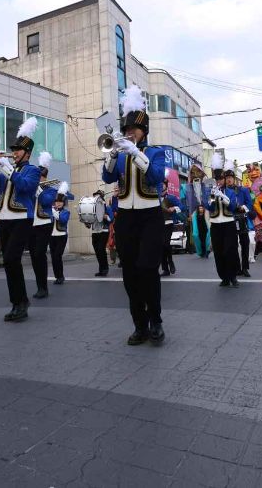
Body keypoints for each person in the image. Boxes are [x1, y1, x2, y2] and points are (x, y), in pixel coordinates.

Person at [102, 85, 166, 346]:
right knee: (129, 273)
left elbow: (156, 176)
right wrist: (113, 154)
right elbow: (107, 177)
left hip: (150, 216)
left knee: (148, 270)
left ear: (144, 131)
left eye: (134, 129)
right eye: (127, 129)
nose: (129, 133)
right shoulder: (121, 156)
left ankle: (156, 320)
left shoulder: (154, 152)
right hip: (126, 218)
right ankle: (139, 324)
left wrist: (135, 152)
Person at [0, 117, 40, 322]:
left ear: (27, 153)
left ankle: (21, 302)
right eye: (13, 149)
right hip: (5, 219)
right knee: (9, 263)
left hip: (22, 218)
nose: (14, 153)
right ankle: (17, 303)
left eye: (17, 150)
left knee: (11, 259)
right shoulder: (9, 171)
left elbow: (25, 187)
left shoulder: (33, 170)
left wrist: (7, 168)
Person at [208, 156, 241, 287]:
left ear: (224, 180)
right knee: (218, 252)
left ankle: (233, 277)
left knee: (230, 250)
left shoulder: (231, 192)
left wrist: (222, 196)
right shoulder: (211, 191)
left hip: (228, 224)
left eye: (221, 179)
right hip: (215, 225)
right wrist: (212, 195)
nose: (219, 181)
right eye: (217, 179)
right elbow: (209, 207)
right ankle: (224, 277)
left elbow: (232, 207)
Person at [29, 152, 57, 299]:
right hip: (31, 224)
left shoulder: (51, 189)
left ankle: (43, 287)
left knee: (40, 253)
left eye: (39, 177)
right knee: (34, 256)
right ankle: (39, 285)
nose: (37, 179)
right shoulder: (31, 188)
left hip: (45, 223)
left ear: (44, 177)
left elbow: (46, 202)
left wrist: (38, 188)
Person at [225, 169, 254, 278]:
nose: (229, 180)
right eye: (227, 178)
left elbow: (249, 204)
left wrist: (243, 207)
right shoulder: (223, 191)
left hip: (242, 219)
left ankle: (245, 267)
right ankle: (237, 268)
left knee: (245, 243)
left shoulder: (243, 190)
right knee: (233, 245)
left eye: (230, 178)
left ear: (234, 179)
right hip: (229, 220)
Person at [50, 182, 70, 284]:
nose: (58, 203)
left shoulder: (66, 212)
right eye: (56, 202)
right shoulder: (52, 210)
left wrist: (53, 212)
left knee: (58, 256)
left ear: (63, 203)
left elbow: (63, 220)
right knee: (53, 258)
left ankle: (61, 276)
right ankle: (57, 276)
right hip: (52, 236)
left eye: (60, 202)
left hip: (61, 236)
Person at [90, 190, 112, 276]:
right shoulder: (92, 209)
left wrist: (106, 216)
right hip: (95, 231)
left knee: (101, 249)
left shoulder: (107, 207)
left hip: (104, 230)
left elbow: (111, 219)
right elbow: (90, 223)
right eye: (95, 197)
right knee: (97, 251)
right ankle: (101, 269)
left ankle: (105, 269)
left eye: (98, 197)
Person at [160, 193, 183, 276]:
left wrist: (174, 208)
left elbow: (181, 206)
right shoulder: (155, 197)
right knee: (161, 246)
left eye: (163, 184)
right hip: (157, 224)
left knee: (166, 244)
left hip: (168, 223)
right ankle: (165, 269)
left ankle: (170, 261)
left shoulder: (170, 197)